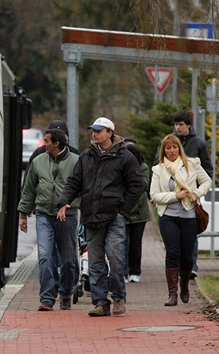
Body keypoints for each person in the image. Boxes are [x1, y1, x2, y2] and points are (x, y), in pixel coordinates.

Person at [57, 117, 144, 317]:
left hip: (115, 217)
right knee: (94, 262)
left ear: (109, 133)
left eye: (99, 130)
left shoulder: (125, 156)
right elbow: (73, 182)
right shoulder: (86, 156)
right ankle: (100, 303)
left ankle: (119, 297)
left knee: (115, 258)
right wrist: (63, 201)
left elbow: (137, 185)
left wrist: (123, 210)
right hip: (91, 217)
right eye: (93, 130)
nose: (94, 134)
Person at [18, 129, 79, 311]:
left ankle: (66, 293)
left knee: (68, 260)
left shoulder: (76, 161)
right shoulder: (38, 161)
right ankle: (47, 298)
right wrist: (23, 213)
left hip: (67, 217)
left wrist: (69, 204)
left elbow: (83, 188)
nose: (44, 144)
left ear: (57, 143)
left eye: (47, 141)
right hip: (43, 214)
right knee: (45, 257)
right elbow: (29, 189)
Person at [150, 134, 211, 306]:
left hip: (189, 215)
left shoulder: (192, 164)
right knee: (172, 252)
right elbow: (154, 195)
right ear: (163, 151)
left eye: (174, 147)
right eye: (167, 148)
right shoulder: (159, 169)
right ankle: (173, 294)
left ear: (179, 148)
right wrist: (175, 195)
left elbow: (206, 181)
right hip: (168, 216)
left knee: (186, 256)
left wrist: (197, 194)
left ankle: (184, 286)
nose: (171, 151)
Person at [123, 139, 152, 283]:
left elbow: (143, 185)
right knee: (123, 242)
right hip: (124, 211)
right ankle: (124, 271)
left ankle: (135, 271)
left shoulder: (143, 167)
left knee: (135, 244)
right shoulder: (120, 166)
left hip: (139, 213)